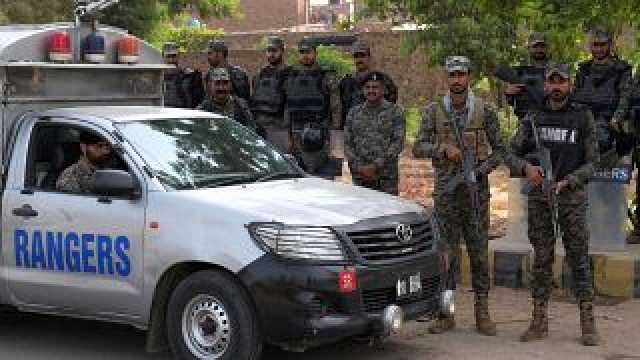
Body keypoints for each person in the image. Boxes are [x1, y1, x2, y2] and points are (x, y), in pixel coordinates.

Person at [412, 56, 506, 336]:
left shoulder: (484, 111)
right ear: (446, 77)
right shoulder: (433, 111)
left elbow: (500, 150)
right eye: (452, 75)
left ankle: (482, 313)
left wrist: (480, 171)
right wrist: (443, 149)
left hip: (475, 194)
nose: (456, 80)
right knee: (447, 254)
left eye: (461, 74)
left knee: (478, 253)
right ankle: (446, 312)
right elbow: (418, 147)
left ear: (469, 77)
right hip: (447, 194)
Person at [508, 63, 600, 346]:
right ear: (546, 85)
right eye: (552, 82)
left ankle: (588, 322)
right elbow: (509, 153)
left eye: (562, 82)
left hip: (571, 197)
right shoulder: (533, 116)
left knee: (579, 259)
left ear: (570, 85)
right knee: (542, 259)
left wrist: (570, 180)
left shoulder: (582, 116)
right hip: (540, 197)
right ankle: (539, 320)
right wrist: (526, 169)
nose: (557, 86)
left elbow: (594, 162)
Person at [574, 29, 633, 165]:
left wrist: (617, 118)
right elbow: (575, 96)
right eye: (596, 45)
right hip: (584, 118)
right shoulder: (583, 69)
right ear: (590, 47)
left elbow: (625, 96)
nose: (599, 49)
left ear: (610, 45)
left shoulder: (622, 69)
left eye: (603, 45)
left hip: (608, 120)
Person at [284, 36, 341, 177]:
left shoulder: (326, 75)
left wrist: (334, 136)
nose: (305, 56)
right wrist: (288, 135)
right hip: (297, 133)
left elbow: (336, 106)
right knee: (299, 176)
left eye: (308, 52)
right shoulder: (290, 76)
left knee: (323, 175)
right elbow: (287, 106)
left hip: (320, 132)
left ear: (315, 53)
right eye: (302, 52)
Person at [344, 71, 405, 195]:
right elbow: (347, 143)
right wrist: (360, 167)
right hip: (360, 177)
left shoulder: (395, 112)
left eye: (375, 87)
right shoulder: (354, 113)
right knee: (362, 212)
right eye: (367, 87)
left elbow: (397, 144)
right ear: (362, 90)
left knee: (388, 212)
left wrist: (375, 166)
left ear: (383, 90)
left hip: (386, 178)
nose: (371, 91)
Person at [339, 40, 397, 128]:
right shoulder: (346, 81)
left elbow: (391, 103)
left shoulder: (383, 79)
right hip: (353, 129)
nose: (359, 60)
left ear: (369, 57)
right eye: (356, 56)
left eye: (362, 56)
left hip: (377, 128)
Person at [251, 36, 291, 152]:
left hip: (278, 126)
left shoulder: (289, 73)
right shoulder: (259, 74)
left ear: (282, 51)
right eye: (269, 51)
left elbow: (290, 105)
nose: (271, 54)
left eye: (274, 51)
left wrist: (287, 131)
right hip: (259, 126)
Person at [504, 32, 549, 120]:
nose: (539, 50)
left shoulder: (555, 70)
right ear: (529, 48)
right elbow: (512, 101)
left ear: (546, 48)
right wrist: (508, 94)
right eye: (535, 47)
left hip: (549, 120)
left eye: (542, 46)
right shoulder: (518, 72)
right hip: (525, 121)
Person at [162, 42, 204, 109]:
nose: (171, 60)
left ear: (178, 56)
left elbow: (199, 101)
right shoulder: (157, 78)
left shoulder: (190, 76)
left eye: (174, 56)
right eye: (168, 56)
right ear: (163, 57)